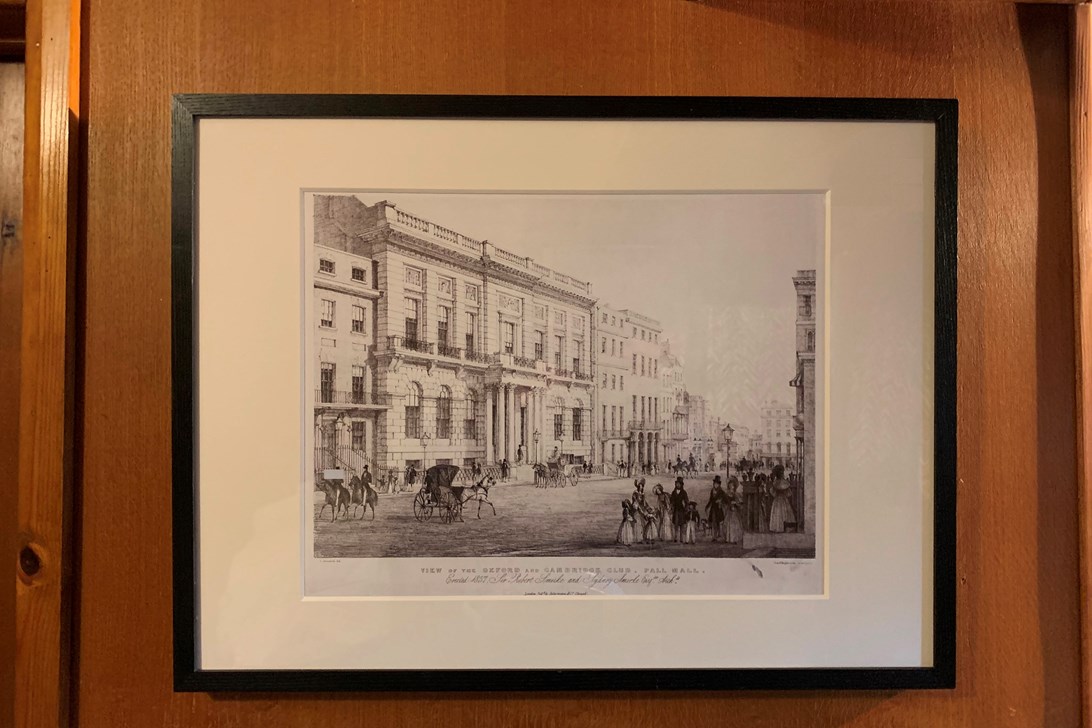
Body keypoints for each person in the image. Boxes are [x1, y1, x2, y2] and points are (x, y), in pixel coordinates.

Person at [768, 464, 797, 533]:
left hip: (777, 500)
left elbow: (773, 493)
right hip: (783, 500)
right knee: (783, 512)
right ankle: (782, 527)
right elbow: (789, 493)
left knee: (779, 512)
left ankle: (779, 527)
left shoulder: (775, 483)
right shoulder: (784, 482)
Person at [705, 474, 728, 542]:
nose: (715, 485)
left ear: (719, 484)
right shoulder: (712, 491)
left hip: (719, 509)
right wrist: (707, 506)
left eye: (717, 484)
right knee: (713, 522)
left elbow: (726, 500)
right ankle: (714, 536)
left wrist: (721, 501)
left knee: (719, 522)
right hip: (713, 509)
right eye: (714, 484)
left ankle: (720, 535)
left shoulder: (721, 492)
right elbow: (710, 500)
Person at [669, 477, 689, 542]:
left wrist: (686, 508)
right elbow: (671, 500)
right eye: (676, 484)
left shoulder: (684, 492)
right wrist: (671, 506)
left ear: (681, 485)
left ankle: (681, 538)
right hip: (676, 510)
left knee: (682, 524)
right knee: (676, 524)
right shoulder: (673, 492)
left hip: (682, 510)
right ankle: (676, 537)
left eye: (679, 484)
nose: (677, 485)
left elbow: (687, 501)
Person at [726, 476, 744, 544]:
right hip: (729, 510)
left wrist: (736, 503)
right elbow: (726, 501)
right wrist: (730, 504)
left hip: (735, 510)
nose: (731, 487)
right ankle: (730, 538)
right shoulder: (727, 493)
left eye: (733, 485)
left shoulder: (736, 494)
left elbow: (739, 501)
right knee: (729, 523)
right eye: (730, 485)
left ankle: (735, 538)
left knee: (735, 523)